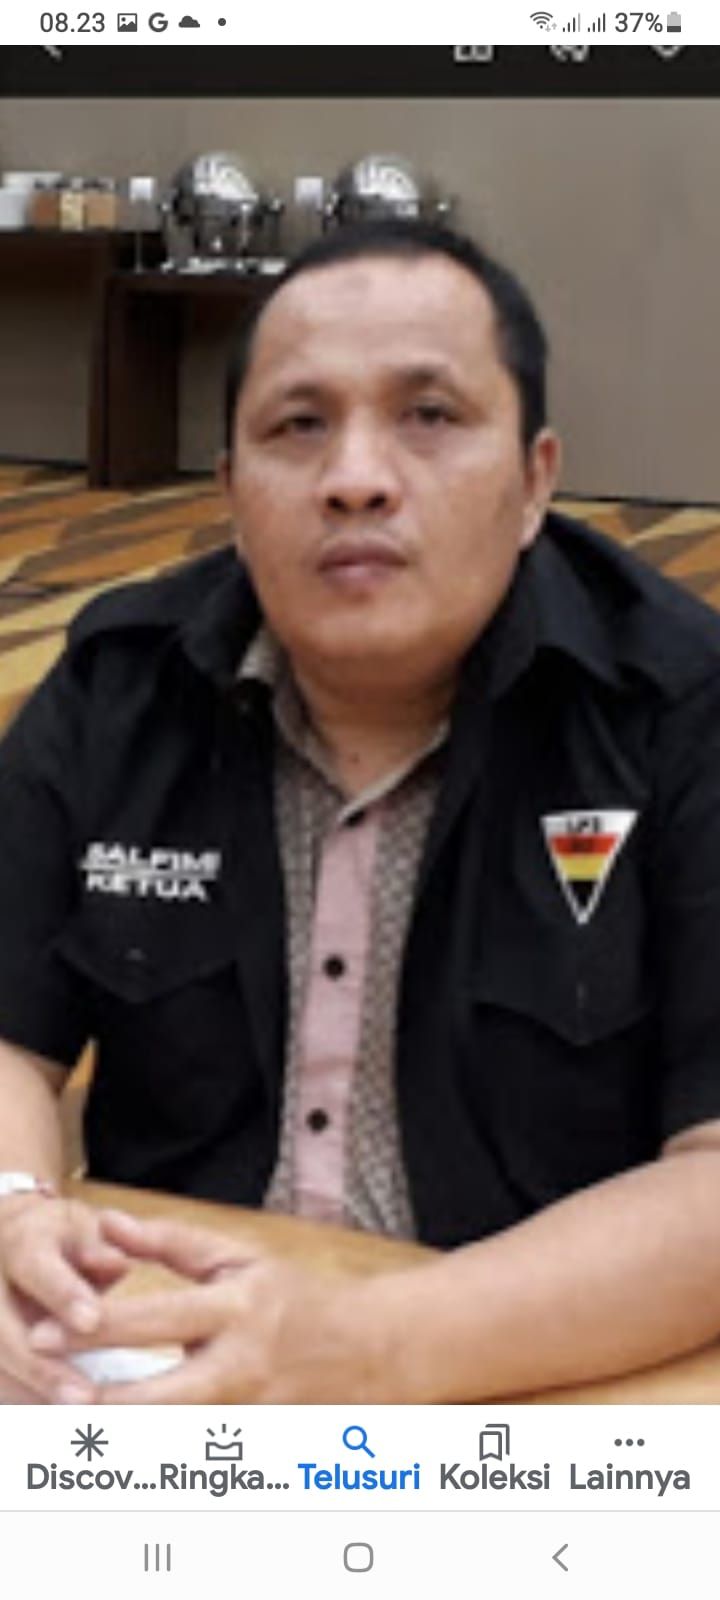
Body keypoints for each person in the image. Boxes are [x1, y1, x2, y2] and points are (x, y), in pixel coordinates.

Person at [2, 217, 720, 1406]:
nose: (355, 477)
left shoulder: (680, 708)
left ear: (536, 480)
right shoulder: (115, 691)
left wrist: (370, 1343)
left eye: (428, 415)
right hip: (156, 1375)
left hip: (531, 1379)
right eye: (298, 425)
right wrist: (17, 1213)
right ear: (231, 491)